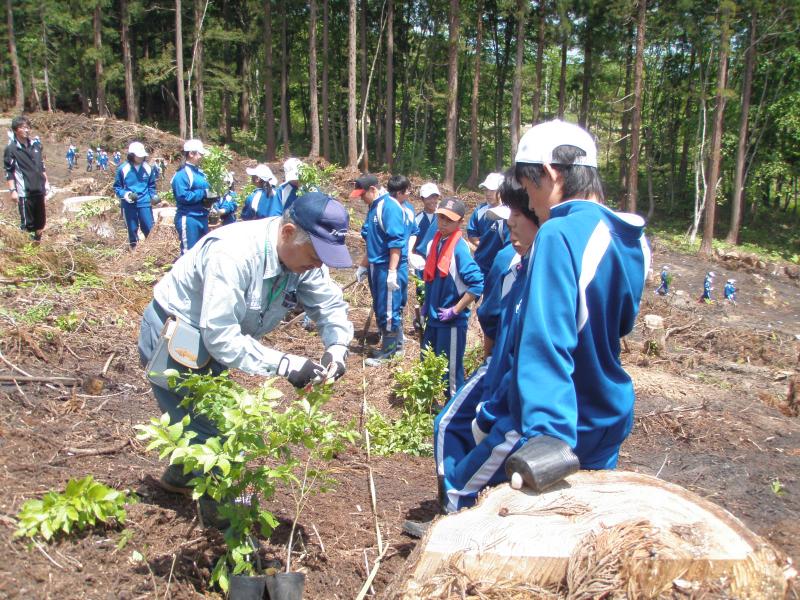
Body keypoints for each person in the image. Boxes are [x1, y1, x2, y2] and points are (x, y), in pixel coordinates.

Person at [440, 120, 650, 512]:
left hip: (563, 421)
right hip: (609, 410)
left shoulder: (559, 234)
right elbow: (620, 325)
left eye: (531, 187)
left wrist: (547, 433)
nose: (533, 205)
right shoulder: (631, 237)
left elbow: (545, 339)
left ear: (552, 174)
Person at [138, 191, 354, 525]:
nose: (318, 265)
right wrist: (286, 364)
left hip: (211, 342)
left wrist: (337, 348)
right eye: (316, 255)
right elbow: (221, 335)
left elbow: (328, 305)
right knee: (218, 439)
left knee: (204, 422)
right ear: (287, 232)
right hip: (175, 337)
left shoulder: (302, 257)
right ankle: (225, 525)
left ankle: (180, 479)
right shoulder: (234, 253)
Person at [433, 171, 539, 516]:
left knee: (469, 429)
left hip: (517, 384)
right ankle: (458, 502)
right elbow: (493, 317)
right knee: (457, 427)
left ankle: (459, 510)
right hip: (498, 367)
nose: (510, 233)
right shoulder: (510, 260)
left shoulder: (536, 267)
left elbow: (479, 292)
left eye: (515, 223)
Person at [421, 197, 484, 399]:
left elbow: (477, 284)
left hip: (451, 323)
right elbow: (430, 279)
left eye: (449, 220)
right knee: (428, 364)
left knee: (451, 370)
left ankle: (454, 408)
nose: (443, 223)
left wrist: (455, 310)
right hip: (433, 317)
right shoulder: (435, 243)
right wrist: (425, 307)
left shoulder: (459, 249)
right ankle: (429, 407)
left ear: (460, 222)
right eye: (441, 218)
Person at [353, 174, 408, 365]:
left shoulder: (389, 206)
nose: (361, 198)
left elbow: (396, 242)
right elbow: (371, 241)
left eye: (362, 194)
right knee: (381, 307)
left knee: (389, 310)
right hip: (376, 266)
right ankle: (394, 347)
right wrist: (363, 265)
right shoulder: (373, 207)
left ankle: (391, 352)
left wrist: (392, 271)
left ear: (373, 190)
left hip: (387, 266)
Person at [4, 116, 49, 242]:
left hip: (39, 191)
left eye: (28, 127)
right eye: (23, 127)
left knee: (40, 223)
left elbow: (41, 166)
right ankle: (27, 252)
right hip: (25, 192)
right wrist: (13, 190)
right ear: (15, 130)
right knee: (27, 225)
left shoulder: (36, 146)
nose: (27, 130)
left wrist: (46, 183)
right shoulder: (12, 149)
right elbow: (9, 171)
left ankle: (37, 247)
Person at [172, 139, 217, 255]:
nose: (202, 157)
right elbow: (183, 196)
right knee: (189, 254)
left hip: (202, 216)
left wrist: (213, 196)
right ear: (191, 154)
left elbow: (207, 191)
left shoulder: (200, 173)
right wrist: (204, 194)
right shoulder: (182, 174)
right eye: (200, 154)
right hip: (188, 217)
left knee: (202, 252)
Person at [113, 141, 158, 249]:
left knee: (148, 226)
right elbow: (117, 187)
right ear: (132, 155)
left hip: (144, 202)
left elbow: (151, 186)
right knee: (132, 228)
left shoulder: (148, 168)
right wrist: (126, 195)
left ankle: (150, 249)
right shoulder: (123, 169)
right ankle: (133, 249)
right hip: (129, 204)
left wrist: (153, 196)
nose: (141, 158)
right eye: (139, 155)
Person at [411, 182, 442, 332]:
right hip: (421, 261)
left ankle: (434, 318)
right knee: (422, 289)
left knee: (438, 289)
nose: (433, 201)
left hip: (439, 260)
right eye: (429, 198)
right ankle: (422, 319)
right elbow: (412, 240)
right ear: (423, 199)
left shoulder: (442, 217)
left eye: (435, 197)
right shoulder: (417, 219)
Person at [468, 172, 510, 276]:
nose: (488, 193)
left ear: (501, 190)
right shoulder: (480, 210)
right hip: (480, 265)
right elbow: (472, 233)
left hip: (501, 266)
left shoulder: (509, 213)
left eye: (492, 190)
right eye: (486, 190)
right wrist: (482, 245)